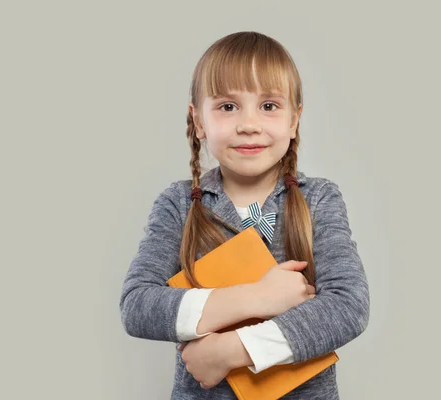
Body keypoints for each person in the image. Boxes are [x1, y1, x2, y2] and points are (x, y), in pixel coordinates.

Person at [119, 31, 370, 399]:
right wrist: (258, 297)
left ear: (294, 120)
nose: (249, 124)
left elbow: (348, 306)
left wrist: (231, 350)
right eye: (227, 106)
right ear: (199, 121)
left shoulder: (319, 199)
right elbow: (138, 306)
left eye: (268, 106)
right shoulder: (179, 204)